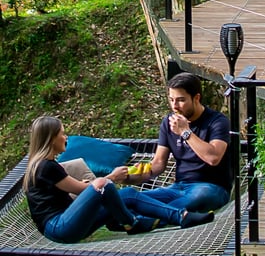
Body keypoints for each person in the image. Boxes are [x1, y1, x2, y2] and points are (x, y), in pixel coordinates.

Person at [24, 116, 214, 243]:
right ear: (51, 138)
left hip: (70, 222)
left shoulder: (47, 165)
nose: (66, 137)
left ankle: (182, 217)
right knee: (103, 185)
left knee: (129, 194)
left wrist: (95, 185)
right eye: (62, 133)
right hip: (59, 228)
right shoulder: (45, 167)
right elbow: (84, 190)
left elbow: (79, 189)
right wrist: (111, 178)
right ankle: (132, 223)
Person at [118, 72, 232, 219]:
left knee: (193, 199)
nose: (175, 106)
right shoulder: (168, 122)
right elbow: (158, 164)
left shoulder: (217, 121)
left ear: (196, 98)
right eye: (171, 100)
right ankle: (139, 219)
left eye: (181, 100)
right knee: (127, 198)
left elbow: (213, 157)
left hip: (211, 187)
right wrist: (131, 177)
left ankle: (144, 220)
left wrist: (185, 132)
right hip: (178, 187)